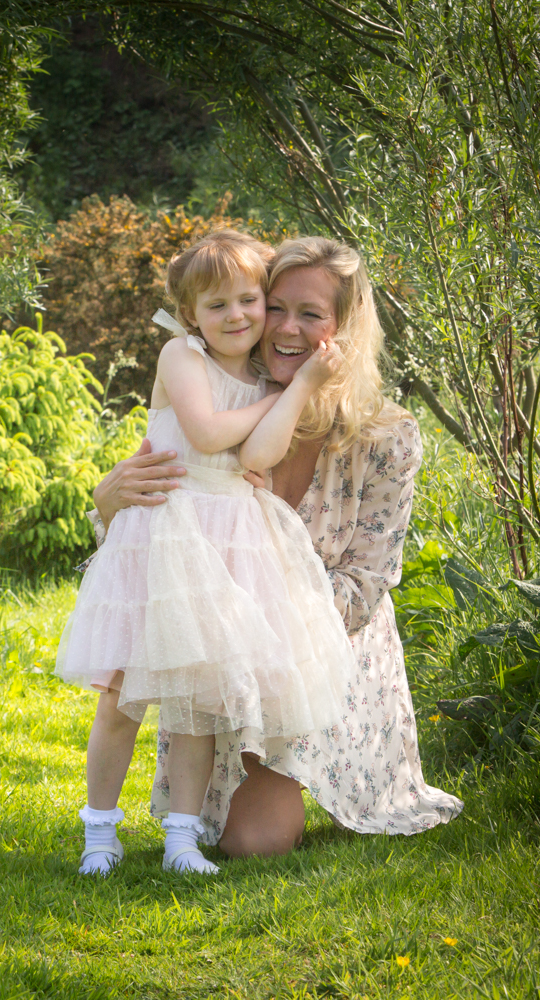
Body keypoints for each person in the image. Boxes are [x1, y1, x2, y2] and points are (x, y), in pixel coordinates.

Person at [91, 235, 463, 856]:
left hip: (322, 657)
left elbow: (365, 588)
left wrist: (245, 618)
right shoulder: (225, 393)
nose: (286, 328)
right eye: (276, 306)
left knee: (255, 843)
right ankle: (129, 824)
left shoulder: (386, 437)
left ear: (344, 330)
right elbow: (160, 533)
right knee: (249, 840)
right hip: (226, 654)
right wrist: (108, 501)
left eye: (311, 315)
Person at [54, 230, 358, 876]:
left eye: (250, 300)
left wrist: (298, 386)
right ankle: (99, 833)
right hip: (161, 538)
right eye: (217, 305)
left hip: (225, 549)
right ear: (191, 314)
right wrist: (280, 397)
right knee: (119, 697)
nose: (238, 316)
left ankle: (181, 838)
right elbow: (205, 431)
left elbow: (256, 456)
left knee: (197, 703)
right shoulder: (181, 357)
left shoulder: (259, 375)